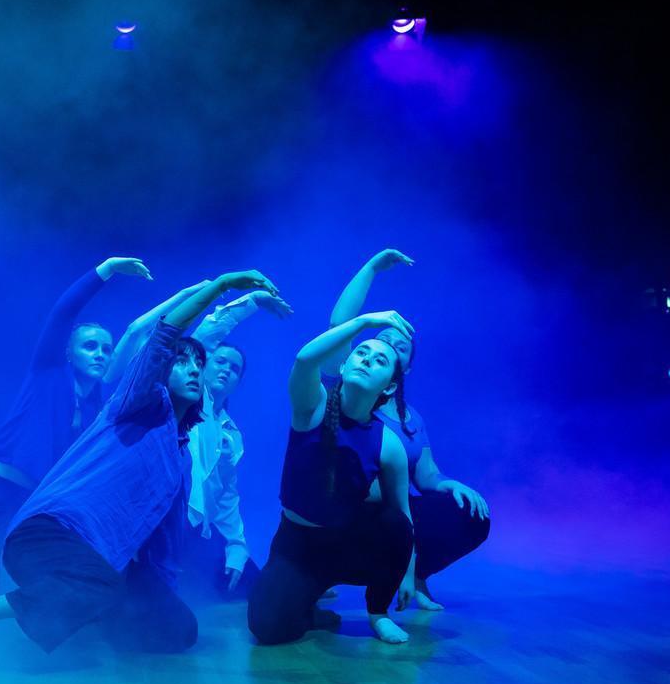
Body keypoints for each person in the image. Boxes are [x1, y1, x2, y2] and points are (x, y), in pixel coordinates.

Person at [0, 270, 281, 673]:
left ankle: (88, 616)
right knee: (97, 584)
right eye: (181, 362)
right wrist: (221, 287)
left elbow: (165, 544)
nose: (193, 370)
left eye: (198, 365)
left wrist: (160, 598)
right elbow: (162, 334)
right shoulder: (135, 405)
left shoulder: (179, 458)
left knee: (180, 631)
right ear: (161, 372)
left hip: (99, 562)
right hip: (47, 534)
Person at [329, 249, 490, 611]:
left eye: (399, 345)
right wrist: (372, 268)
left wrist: (449, 484)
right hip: (354, 510)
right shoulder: (351, 393)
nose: (389, 344)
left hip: (396, 510)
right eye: (384, 338)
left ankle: (417, 576)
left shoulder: (411, 417)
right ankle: (323, 574)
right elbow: (339, 325)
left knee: (469, 513)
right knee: (391, 518)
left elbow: (426, 474)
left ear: (406, 369)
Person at [247, 312, 418, 645]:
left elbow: (403, 516)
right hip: (297, 545)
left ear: (389, 386)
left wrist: (409, 571)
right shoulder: (313, 406)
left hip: (347, 544)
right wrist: (364, 323)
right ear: (343, 365)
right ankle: (308, 606)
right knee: (266, 627)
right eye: (362, 353)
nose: (367, 360)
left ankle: (378, 613)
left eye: (380, 360)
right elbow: (304, 360)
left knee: (395, 523)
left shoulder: (389, 444)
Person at [180, 290, 293, 602]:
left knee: (252, 583)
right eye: (220, 362)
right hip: (170, 522)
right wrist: (252, 302)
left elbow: (227, 494)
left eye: (235, 369)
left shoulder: (231, 434)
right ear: (203, 365)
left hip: (199, 529)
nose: (226, 370)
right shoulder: (190, 404)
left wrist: (236, 545)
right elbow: (206, 335)